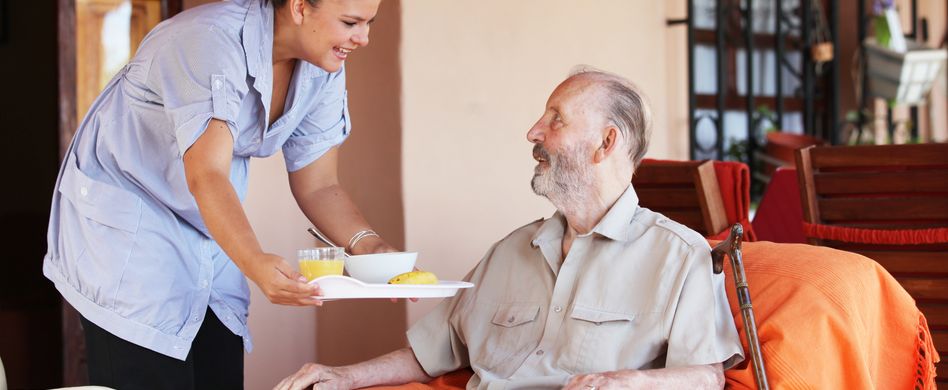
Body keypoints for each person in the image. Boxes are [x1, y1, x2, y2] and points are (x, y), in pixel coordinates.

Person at [276, 69, 745, 390]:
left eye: (555, 120)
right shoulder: (509, 251)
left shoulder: (679, 256)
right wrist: (342, 377)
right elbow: (433, 351)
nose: (533, 132)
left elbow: (706, 374)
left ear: (606, 143)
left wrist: (635, 382)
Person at [43, 0, 393, 388]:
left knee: (218, 368)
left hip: (209, 227)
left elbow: (320, 184)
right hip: (131, 233)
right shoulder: (208, 41)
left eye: (369, 24)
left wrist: (371, 249)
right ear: (298, 8)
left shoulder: (322, 67)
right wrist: (256, 262)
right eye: (351, 23)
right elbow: (207, 174)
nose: (363, 38)